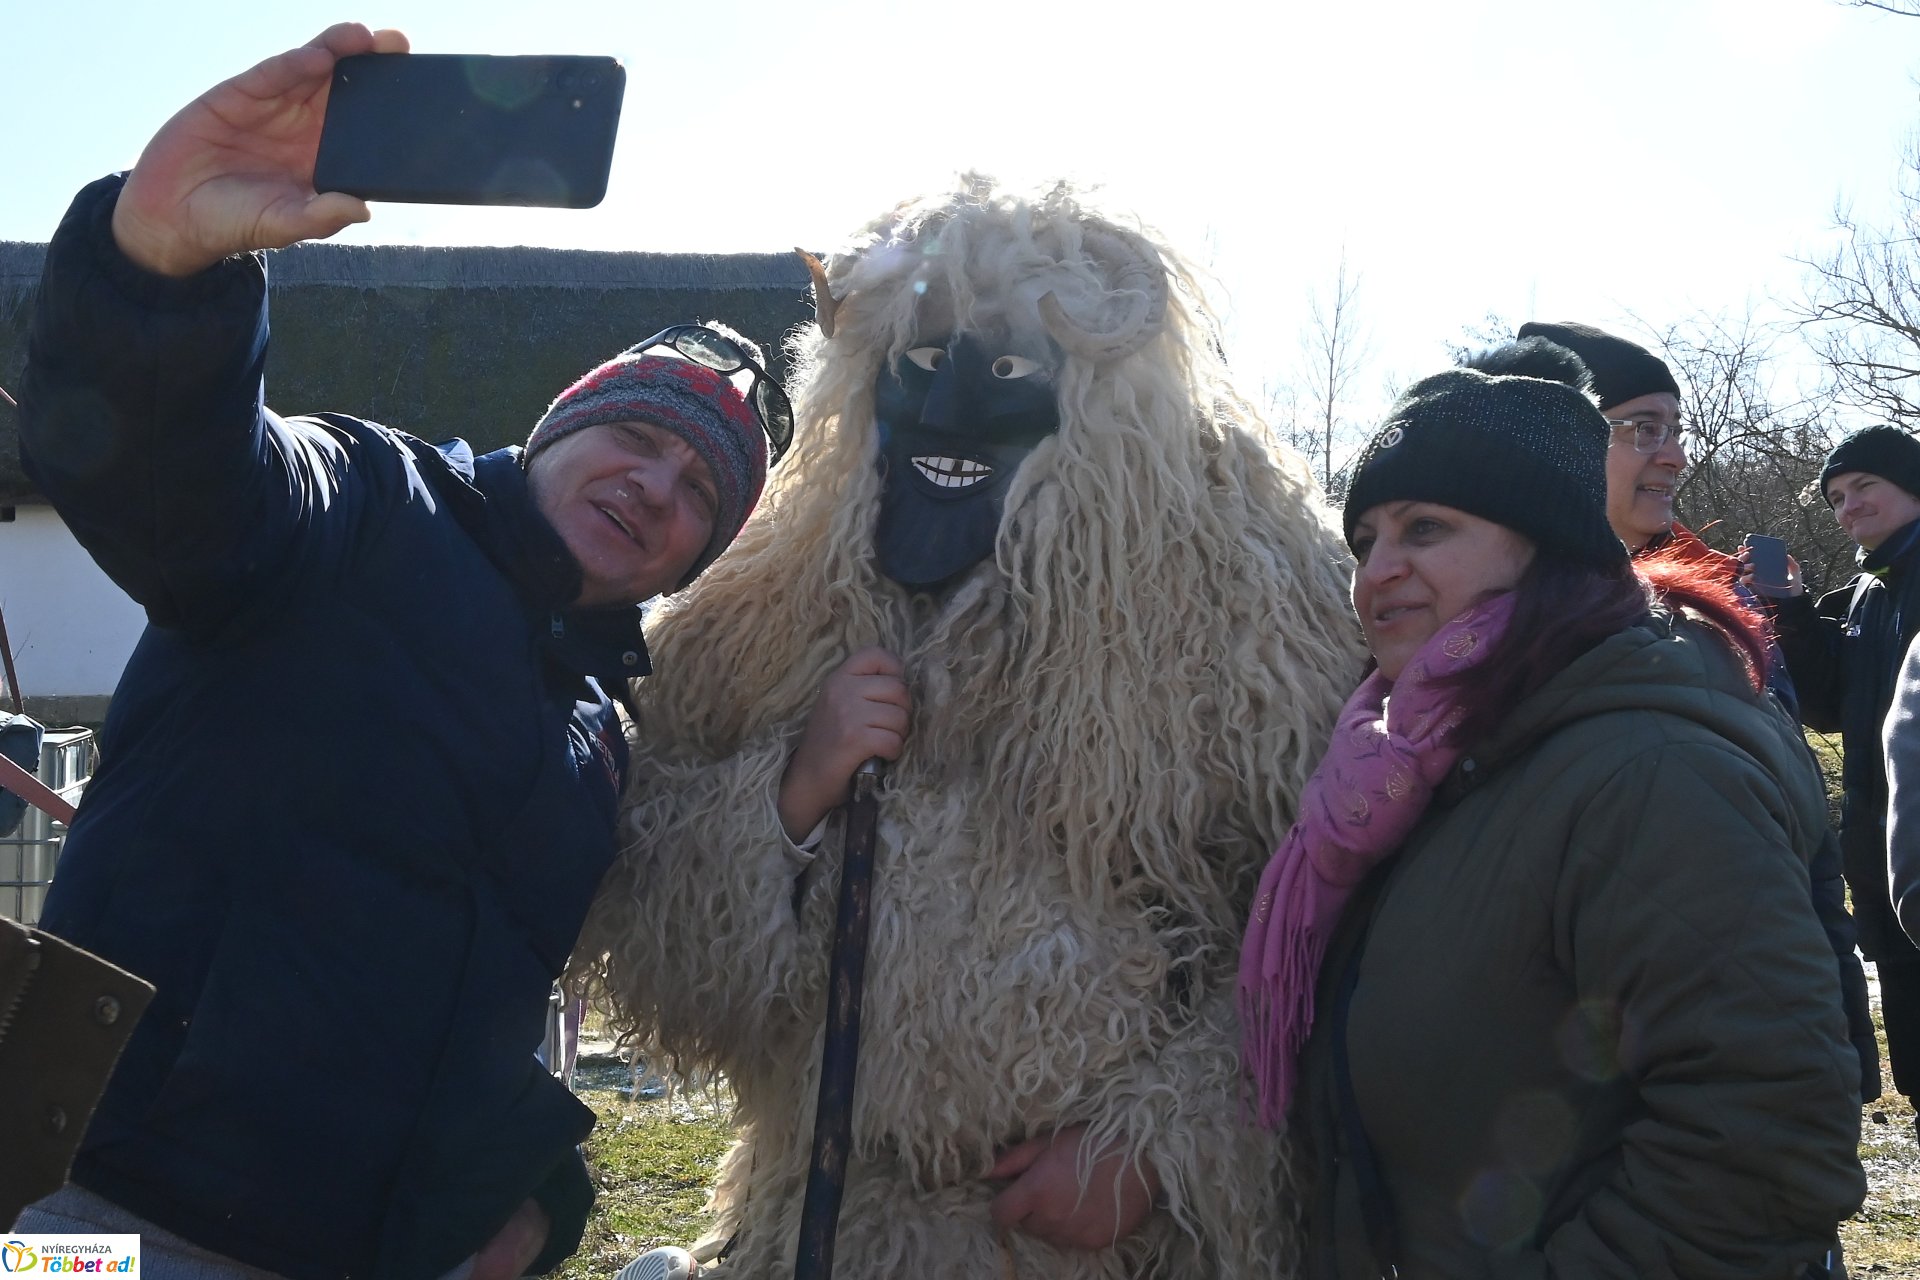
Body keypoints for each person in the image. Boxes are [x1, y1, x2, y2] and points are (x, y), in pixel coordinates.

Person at [9, 24, 780, 1280]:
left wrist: (533, 1186)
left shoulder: (595, 736)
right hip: (96, 1220)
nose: (656, 485)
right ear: (558, 424)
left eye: (700, 490)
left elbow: (480, 1000)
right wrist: (157, 272)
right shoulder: (366, 502)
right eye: (637, 435)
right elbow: (178, 477)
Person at [575, 178, 1367, 1279]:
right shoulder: (772, 606)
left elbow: (1320, 923)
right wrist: (790, 793)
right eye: (916, 366)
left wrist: (1159, 1147)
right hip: (830, 1216)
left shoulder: (1236, 621)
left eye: (1001, 372)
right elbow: (650, 922)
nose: (947, 408)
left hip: (1096, 1242)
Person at [1246, 339, 1865, 1278]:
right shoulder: (1407, 763)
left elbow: (1763, 1142)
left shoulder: (1649, 769)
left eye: (1425, 530)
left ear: (1547, 549)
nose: (1377, 571)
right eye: (1365, 539)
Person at [1515, 321, 1882, 1103]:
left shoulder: (1717, 618)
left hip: (1741, 1061)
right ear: (1564, 441)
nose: (1676, 454)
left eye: (1675, 428)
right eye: (1643, 428)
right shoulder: (1487, 630)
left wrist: (1839, 1039)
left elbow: (1798, 846)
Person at [1775, 424, 1920, 1124]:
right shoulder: (1868, 587)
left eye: (1864, 486)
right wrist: (1793, 610)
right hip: (1878, 851)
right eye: (1835, 496)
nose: (1847, 507)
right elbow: (1829, 709)